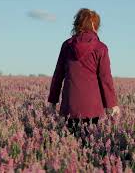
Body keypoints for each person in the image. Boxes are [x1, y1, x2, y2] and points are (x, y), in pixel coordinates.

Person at [47, 8, 120, 140]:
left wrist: (52, 100)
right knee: (90, 144)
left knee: (70, 145)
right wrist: (112, 104)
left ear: (77, 24)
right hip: (93, 108)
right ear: (94, 25)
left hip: (70, 106)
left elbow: (58, 75)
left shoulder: (67, 46)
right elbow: (105, 78)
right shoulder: (101, 48)